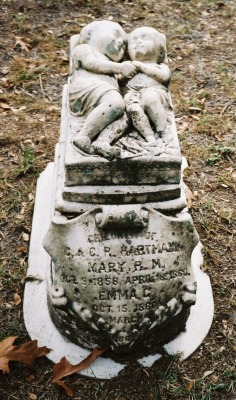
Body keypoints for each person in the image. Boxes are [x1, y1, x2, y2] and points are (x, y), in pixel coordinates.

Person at [69, 20, 137, 155]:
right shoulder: (85, 48)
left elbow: (117, 81)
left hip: (105, 92)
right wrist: (120, 67)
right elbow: (92, 64)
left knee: (125, 117)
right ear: (91, 34)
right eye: (116, 35)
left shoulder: (110, 65)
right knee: (116, 103)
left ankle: (103, 141)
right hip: (87, 87)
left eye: (124, 44)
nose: (120, 43)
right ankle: (83, 136)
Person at [124, 26, 172, 145]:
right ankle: (148, 136)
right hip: (132, 94)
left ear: (160, 51)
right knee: (132, 107)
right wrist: (123, 72)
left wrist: (141, 66)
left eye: (145, 38)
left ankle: (162, 131)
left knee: (149, 98)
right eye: (133, 40)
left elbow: (164, 77)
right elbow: (118, 82)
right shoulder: (129, 66)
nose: (138, 42)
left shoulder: (159, 66)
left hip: (155, 92)